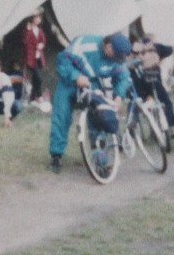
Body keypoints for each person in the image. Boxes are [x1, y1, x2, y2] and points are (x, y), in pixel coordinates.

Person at [48, 32, 132, 173]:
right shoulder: (85, 43)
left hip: (92, 84)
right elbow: (62, 60)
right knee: (61, 116)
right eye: (116, 55)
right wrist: (76, 76)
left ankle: (101, 162)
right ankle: (56, 156)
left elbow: (123, 77)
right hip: (69, 82)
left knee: (99, 118)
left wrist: (118, 97)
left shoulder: (116, 59)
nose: (117, 60)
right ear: (108, 47)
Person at [131, 33, 174, 137]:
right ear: (152, 40)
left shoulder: (135, 48)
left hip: (139, 82)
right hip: (153, 79)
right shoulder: (156, 47)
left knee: (137, 103)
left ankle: (132, 125)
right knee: (165, 101)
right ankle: (173, 126)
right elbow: (170, 50)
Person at [23, 11, 48, 104]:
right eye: (36, 17)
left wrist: (41, 45)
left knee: (35, 78)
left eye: (39, 18)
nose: (38, 19)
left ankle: (33, 98)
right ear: (32, 18)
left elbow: (43, 41)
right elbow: (25, 41)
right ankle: (39, 95)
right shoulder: (27, 29)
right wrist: (29, 30)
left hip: (39, 58)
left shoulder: (40, 30)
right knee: (38, 77)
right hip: (30, 58)